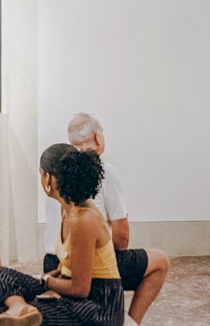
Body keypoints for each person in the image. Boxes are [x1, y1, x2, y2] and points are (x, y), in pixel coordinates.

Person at [0, 144, 124, 326]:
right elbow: (70, 263)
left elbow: (80, 289)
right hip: (72, 288)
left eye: (41, 173)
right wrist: (48, 279)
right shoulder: (67, 209)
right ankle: (19, 308)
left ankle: (19, 312)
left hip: (98, 306)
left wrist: (46, 281)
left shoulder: (83, 219)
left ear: (49, 179)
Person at [43, 113, 169, 325]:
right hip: (82, 270)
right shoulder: (103, 171)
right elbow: (122, 239)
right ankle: (130, 322)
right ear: (98, 138)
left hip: (51, 260)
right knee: (160, 261)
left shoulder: (58, 173)